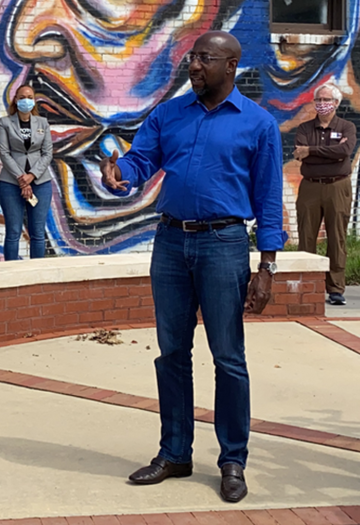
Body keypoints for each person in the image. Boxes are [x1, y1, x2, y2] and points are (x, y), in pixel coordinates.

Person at [100, 31, 286, 503]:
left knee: (228, 357)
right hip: (170, 243)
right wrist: (121, 172)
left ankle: (232, 461)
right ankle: (175, 452)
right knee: (172, 354)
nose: (194, 66)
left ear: (231, 65)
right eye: (192, 58)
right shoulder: (168, 114)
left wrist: (267, 267)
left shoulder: (258, 124)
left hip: (224, 244)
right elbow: (142, 160)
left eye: (205, 58)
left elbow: (267, 198)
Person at [293, 83, 357, 306]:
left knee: (336, 237)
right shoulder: (305, 128)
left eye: (326, 100)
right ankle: (307, 285)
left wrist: (311, 151)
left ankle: (336, 288)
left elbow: (344, 152)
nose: (322, 104)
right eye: (318, 100)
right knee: (307, 236)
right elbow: (300, 154)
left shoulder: (347, 127)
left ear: (336, 103)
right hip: (310, 186)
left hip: (337, 186)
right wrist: (329, 153)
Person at [0, 85, 53, 260]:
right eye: (22, 97)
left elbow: (48, 152)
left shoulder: (42, 123)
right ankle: (9, 275)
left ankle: (36, 275)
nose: (26, 100)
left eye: (30, 97)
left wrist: (32, 176)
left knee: (37, 232)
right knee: (13, 232)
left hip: (41, 183)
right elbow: (4, 153)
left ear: (34, 100)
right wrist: (22, 179)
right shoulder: (5, 123)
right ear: (16, 100)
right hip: (11, 183)